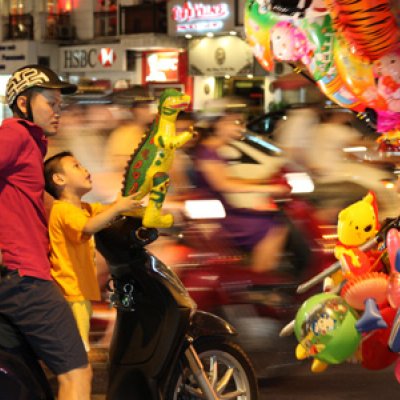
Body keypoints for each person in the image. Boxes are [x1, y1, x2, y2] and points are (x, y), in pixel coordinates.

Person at [0, 64, 89, 399]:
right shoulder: (16, 133)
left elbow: (34, 201)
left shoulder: (33, 144)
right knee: (77, 372)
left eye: (60, 106)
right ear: (24, 104)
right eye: (51, 103)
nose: (58, 112)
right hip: (25, 276)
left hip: (17, 272)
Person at [44, 151, 142, 352]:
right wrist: (117, 209)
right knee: (78, 350)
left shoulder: (84, 207)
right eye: (76, 166)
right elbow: (88, 227)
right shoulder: (63, 209)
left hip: (78, 290)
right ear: (59, 178)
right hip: (69, 290)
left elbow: (110, 209)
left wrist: (129, 202)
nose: (85, 169)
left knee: (79, 342)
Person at [192, 97, 291, 273]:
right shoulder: (207, 152)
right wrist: (268, 187)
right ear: (218, 125)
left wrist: (266, 183)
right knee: (271, 224)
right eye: (234, 122)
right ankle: (258, 277)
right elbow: (223, 184)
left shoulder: (214, 149)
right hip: (220, 216)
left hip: (224, 208)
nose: (240, 127)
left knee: (275, 219)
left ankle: (260, 277)